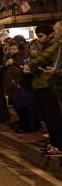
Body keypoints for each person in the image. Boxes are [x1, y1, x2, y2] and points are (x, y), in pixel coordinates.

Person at [27, 21, 62, 157]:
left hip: (50, 85)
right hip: (44, 84)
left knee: (53, 117)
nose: (38, 39)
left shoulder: (55, 46)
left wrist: (30, 65)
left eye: (41, 36)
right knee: (48, 117)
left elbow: (39, 60)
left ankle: (57, 145)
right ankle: (54, 143)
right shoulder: (46, 45)